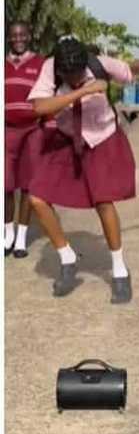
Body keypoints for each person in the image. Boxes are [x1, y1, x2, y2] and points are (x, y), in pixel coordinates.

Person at [26, 36, 139, 303]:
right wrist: (81, 91)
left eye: (79, 74)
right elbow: (39, 106)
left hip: (102, 137)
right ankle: (67, 257)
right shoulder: (51, 68)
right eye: (69, 75)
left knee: (103, 201)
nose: (76, 78)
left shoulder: (98, 64)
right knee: (36, 198)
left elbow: (128, 68)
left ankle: (119, 271)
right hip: (67, 138)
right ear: (59, 71)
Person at [5, 22, 47, 258]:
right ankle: (7, 234)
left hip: (33, 129)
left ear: (29, 36)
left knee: (27, 186)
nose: (18, 38)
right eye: (14, 36)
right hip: (7, 130)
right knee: (6, 186)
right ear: (9, 39)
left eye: (22, 34)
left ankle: (21, 239)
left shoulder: (40, 64)